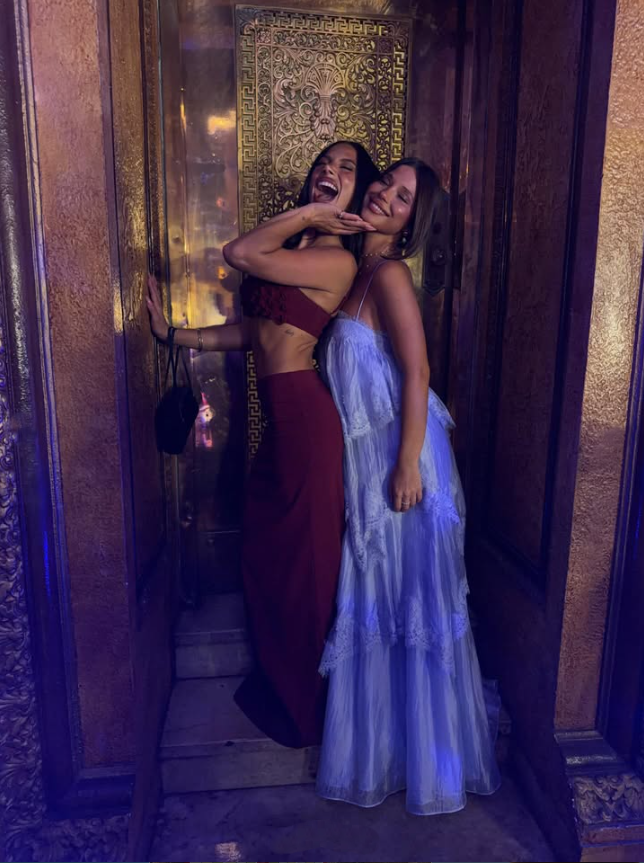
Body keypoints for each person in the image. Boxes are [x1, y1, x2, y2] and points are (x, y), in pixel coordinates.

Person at [147, 141, 380, 748]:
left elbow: (238, 253)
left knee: (307, 566)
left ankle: (310, 707)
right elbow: (253, 332)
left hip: (309, 425)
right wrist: (174, 334)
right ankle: (282, 681)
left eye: (347, 169)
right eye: (323, 162)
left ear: (355, 197)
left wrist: (311, 214)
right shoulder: (296, 251)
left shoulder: (337, 262)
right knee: (269, 551)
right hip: (284, 425)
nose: (329, 170)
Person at [316, 158, 501, 813]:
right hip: (372, 457)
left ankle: (432, 767)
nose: (384, 196)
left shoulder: (389, 274)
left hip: (405, 459)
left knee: (413, 605)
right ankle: (387, 755)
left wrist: (407, 464)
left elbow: (417, 372)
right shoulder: (354, 269)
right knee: (381, 600)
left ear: (410, 223)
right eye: (386, 183)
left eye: (402, 199)